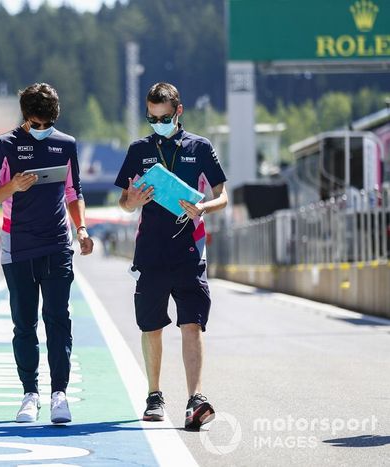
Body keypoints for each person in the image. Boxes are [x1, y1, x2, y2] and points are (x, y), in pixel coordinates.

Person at [114, 82, 228, 431]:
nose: (156, 122)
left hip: (188, 250)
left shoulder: (201, 146)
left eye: (163, 117)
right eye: (151, 117)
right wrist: (133, 200)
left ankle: (195, 397)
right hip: (150, 251)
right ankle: (154, 395)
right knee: (151, 326)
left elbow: (222, 196)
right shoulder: (138, 149)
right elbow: (124, 202)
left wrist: (203, 207)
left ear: (178, 112)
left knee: (191, 323)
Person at [0, 83, 93, 424]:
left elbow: (74, 191)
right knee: (24, 323)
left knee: (58, 319)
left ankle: (60, 393)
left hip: (58, 243)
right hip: (18, 244)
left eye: (47, 124)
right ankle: (30, 393)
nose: (42, 130)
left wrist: (82, 228)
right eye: (36, 124)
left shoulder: (66, 144)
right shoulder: (4, 144)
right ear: (25, 116)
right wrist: (12, 186)